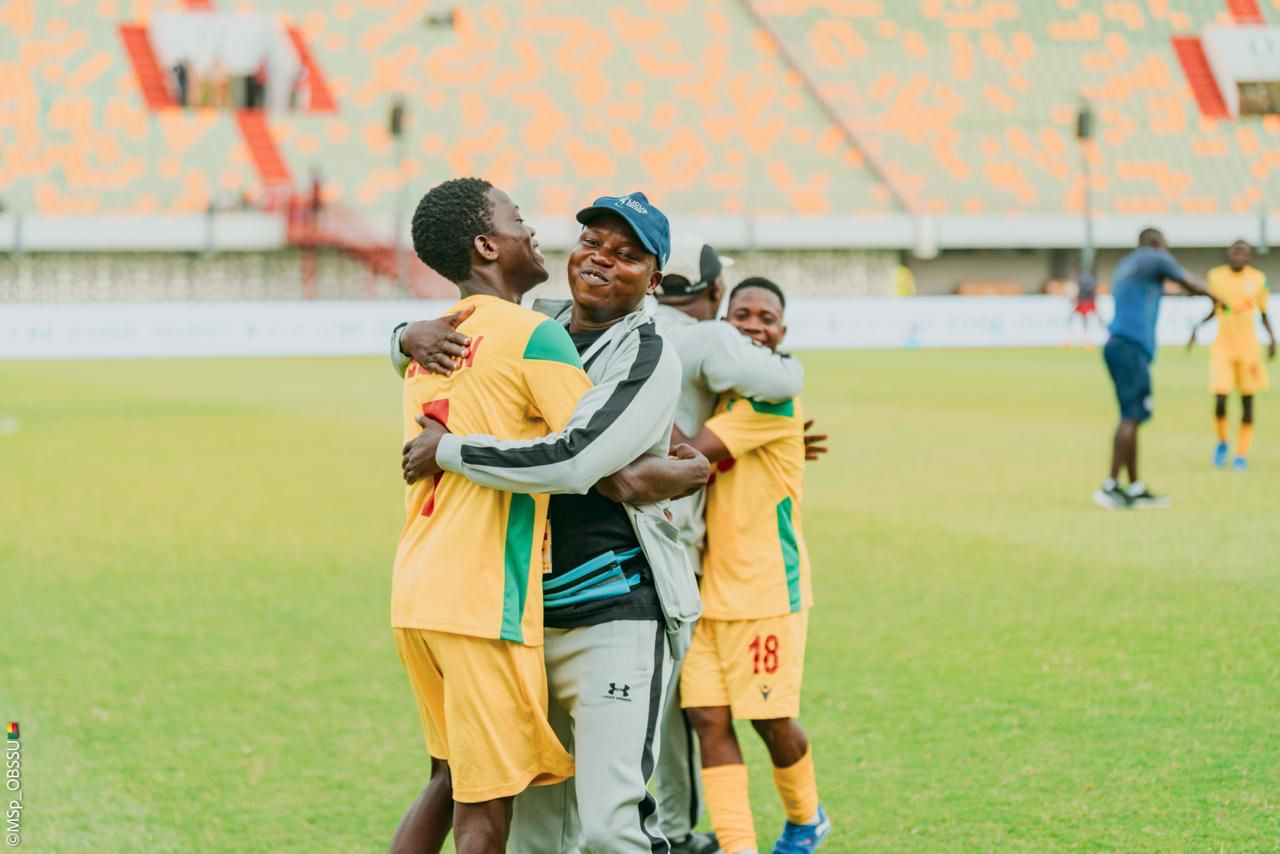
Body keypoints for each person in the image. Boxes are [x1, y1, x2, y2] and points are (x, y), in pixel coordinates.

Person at [398, 191, 708, 853]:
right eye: (594, 243)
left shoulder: (647, 352)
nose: (602, 260)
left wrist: (448, 451)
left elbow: (579, 463)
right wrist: (403, 334)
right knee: (540, 836)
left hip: (615, 613)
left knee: (611, 827)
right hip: (524, 619)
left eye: (628, 256)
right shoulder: (531, 324)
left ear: (654, 280)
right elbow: (447, 344)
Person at [389, 177, 585, 853]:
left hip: (417, 590)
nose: (532, 231)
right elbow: (599, 449)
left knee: (446, 780)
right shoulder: (534, 337)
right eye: (518, 219)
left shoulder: (432, 341)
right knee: (484, 815)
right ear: (486, 244)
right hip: (481, 600)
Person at [650, 236, 813, 854]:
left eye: (766, 319)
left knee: (769, 719)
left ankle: (804, 817)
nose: (752, 326)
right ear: (721, 311)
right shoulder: (728, 392)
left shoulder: (772, 396)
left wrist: (635, 410)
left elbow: (690, 453)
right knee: (709, 720)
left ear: (783, 329)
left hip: (766, 587)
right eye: (742, 316)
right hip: (707, 584)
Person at [1094, 228, 1216, 510]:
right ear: (1157, 243)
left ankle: (1134, 488)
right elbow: (1190, 282)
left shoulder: (1129, 264)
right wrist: (1219, 298)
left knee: (1132, 417)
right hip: (1130, 347)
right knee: (1131, 416)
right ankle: (1110, 486)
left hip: (1120, 345)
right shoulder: (1154, 257)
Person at [1187, 240, 1276, 471]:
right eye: (1235, 252)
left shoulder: (1258, 279)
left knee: (1247, 402)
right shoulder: (1216, 276)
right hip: (1223, 348)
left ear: (1249, 257)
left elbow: (1263, 312)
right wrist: (1197, 327)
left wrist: (1273, 339)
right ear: (1228, 254)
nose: (1238, 256)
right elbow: (1215, 308)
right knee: (1220, 399)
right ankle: (1223, 442)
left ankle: (1241, 454)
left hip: (1248, 350)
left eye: (1243, 253)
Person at [1067, 269, 1104, 347]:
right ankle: (1083, 340)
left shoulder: (1083, 282)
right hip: (1083, 302)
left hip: (1086, 302)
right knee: (1079, 320)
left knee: (1088, 320)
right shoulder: (1090, 282)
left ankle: (1087, 340)